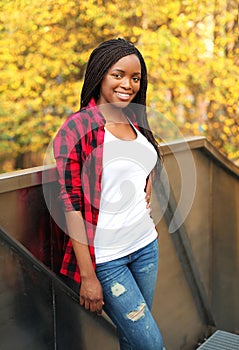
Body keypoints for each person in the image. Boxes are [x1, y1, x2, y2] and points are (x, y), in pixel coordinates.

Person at [54, 38, 164, 350]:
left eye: (135, 78)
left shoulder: (133, 120)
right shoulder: (76, 128)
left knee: (133, 342)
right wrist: (88, 277)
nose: (127, 84)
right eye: (118, 74)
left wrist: (148, 177)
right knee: (151, 345)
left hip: (145, 246)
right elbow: (70, 205)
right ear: (100, 74)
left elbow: (141, 159)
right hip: (107, 259)